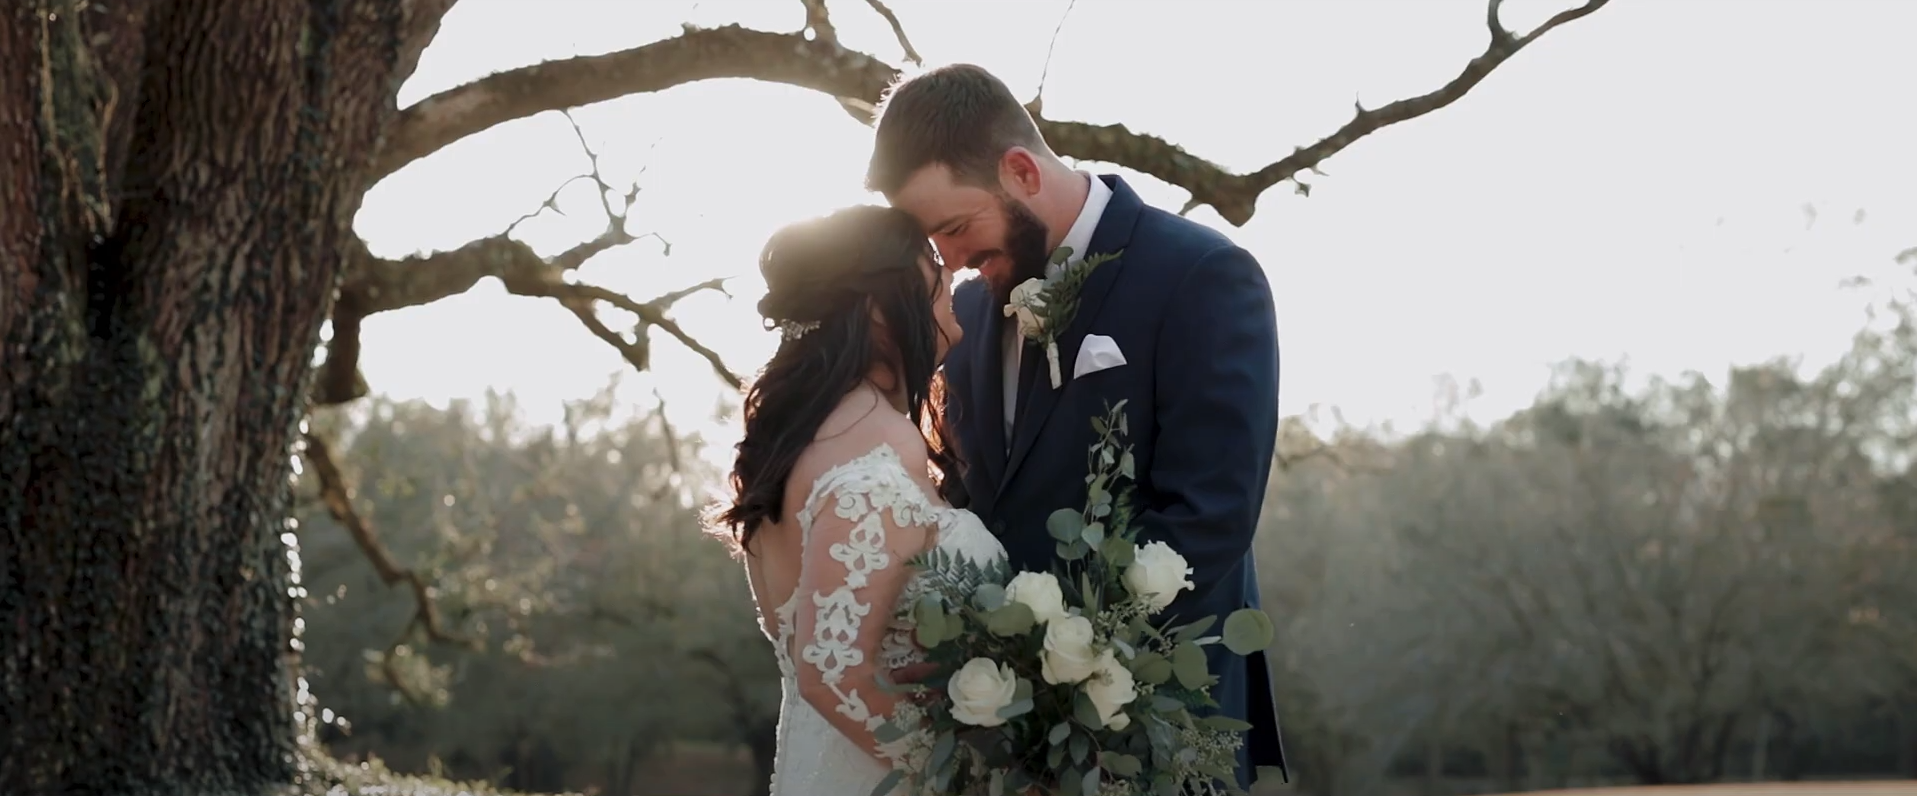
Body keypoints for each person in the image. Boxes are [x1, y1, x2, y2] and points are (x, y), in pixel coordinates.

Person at [865, 63, 1289, 789]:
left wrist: (1058, 666)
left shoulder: (1201, 275)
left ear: (1022, 170)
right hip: (1009, 749)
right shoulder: (966, 314)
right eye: (936, 243)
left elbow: (1209, 517)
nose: (953, 260)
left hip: (1165, 729)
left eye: (957, 227)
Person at [709, 205, 1006, 796]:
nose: (952, 285)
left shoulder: (800, 439)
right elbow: (831, 671)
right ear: (879, 308)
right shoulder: (872, 442)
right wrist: (966, 776)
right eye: (935, 275)